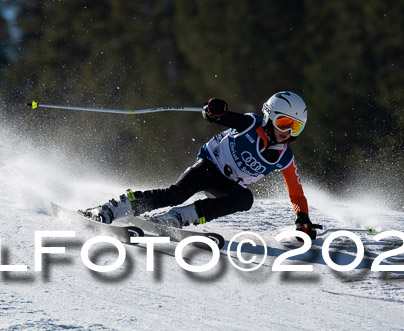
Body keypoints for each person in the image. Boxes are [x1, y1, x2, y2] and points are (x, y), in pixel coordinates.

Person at [82, 91, 320, 240]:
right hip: (209, 165)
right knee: (175, 194)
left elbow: (296, 195)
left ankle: (175, 219)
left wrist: (303, 220)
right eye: (284, 122)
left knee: (245, 199)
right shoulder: (249, 124)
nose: (287, 132)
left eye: (295, 127)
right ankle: (111, 209)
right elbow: (216, 116)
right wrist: (214, 110)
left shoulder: (284, 158)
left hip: (227, 184)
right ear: (269, 116)